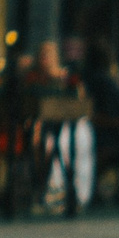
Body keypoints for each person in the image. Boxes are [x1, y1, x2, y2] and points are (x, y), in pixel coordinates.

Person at [32, 38, 95, 212]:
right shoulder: (35, 78)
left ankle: (71, 192)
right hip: (46, 125)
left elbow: (80, 100)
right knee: (47, 144)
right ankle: (50, 191)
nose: (45, 58)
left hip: (69, 124)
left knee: (70, 143)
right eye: (42, 55)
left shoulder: (67, 76)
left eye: (49, 54)